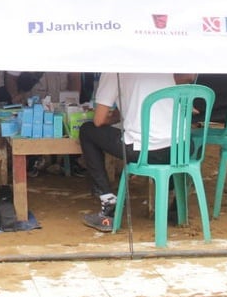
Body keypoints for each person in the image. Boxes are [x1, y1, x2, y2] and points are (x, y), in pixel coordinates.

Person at [78, 72, 195, 232]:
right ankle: (175, 199)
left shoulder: (113, 71)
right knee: (161, 141)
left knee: (87, 131)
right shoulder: (160, 64)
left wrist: (109, 119)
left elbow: (99, 120)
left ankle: (108, 200)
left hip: (146, 152)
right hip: (182, 147)